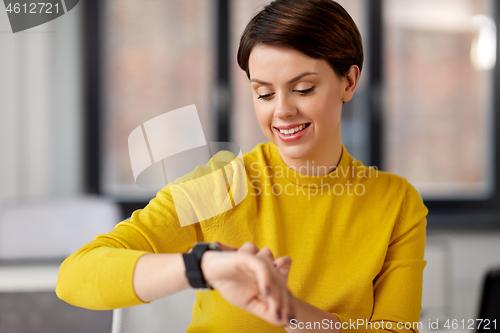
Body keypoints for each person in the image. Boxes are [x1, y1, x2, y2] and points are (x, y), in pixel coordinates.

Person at [56, 0, 428, 332]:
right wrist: (203, 266)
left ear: (349, 81)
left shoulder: (396, 204)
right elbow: (76, 274)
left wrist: (289, 310)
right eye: (263, 93)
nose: (281, 110)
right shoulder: (219, 187)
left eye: (302, 89)